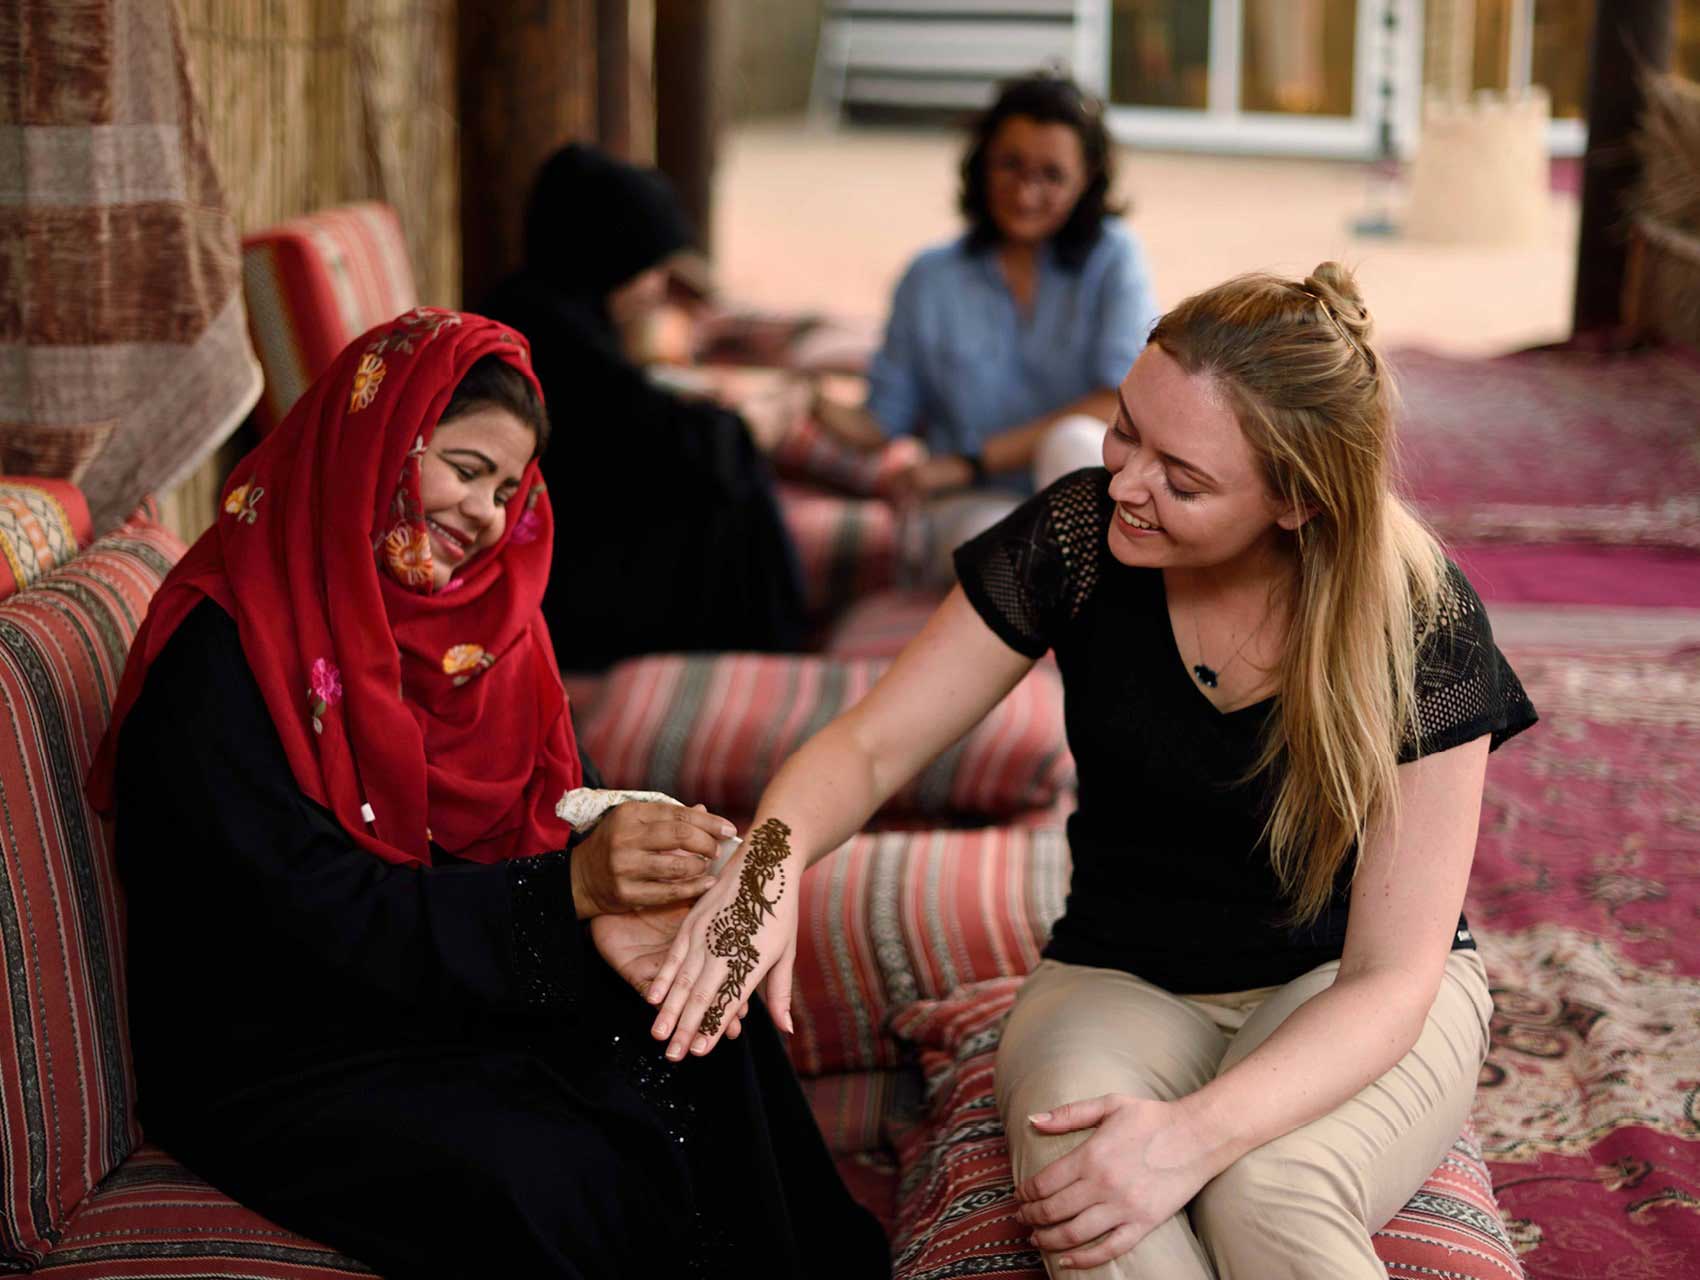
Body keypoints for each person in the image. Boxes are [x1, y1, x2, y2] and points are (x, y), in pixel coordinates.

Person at [645, 266, 1538, 1278]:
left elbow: (1391, 976)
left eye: (1182, 477)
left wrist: (1193, 1135)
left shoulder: (1421, 621)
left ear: (1294, 502)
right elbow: (869, 745)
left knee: (1268, 1194)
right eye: (1124, 429)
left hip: (1343, 984)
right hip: (1116, 979)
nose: (1124, 483)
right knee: (1098, 1220)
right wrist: (762, 873)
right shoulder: (1076, 538)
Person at [87, 309, 887, 1280]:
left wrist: (631, 880)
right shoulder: (223, 651)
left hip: (445, 977)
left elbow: (551, 818)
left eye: (509, 488)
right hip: (278, 1042)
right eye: (464, 468)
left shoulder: (477, 640)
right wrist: (565, 897)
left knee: (695, 994)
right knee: (551, 1177)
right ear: (371, 443)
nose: (486, 514)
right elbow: (296, 918)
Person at [813, 71, 1160, 579]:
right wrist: (805, 402)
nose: (1025, 192)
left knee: (1072, 442)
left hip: (1080, 485)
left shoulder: (1114, 257)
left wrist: (970, 460)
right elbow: (882, 422)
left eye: (1051, 175)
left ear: (1086, 181)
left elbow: (1120, 401)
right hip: (967, 505)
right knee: (1006, 547)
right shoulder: (928, 278)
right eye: (1010, 165)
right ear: (981, 164)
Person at [481, 143, 809, 671]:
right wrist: (748, 427)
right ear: (611, 254)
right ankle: (767, 654)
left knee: (725, 460)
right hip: (563, 588)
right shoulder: (549, 331)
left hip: (574, 546)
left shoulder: (545, 307)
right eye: (648, 268)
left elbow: (629, 421)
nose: (656, 288)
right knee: (726, 479)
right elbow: (657, 442)